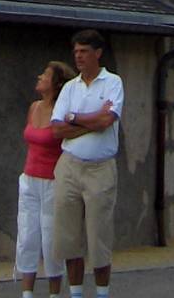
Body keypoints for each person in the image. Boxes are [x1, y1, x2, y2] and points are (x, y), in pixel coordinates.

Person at [50, 29, 124, 298]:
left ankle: (102, 293)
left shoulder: (112, 82)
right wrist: (89, 121)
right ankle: (76, 293)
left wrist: (74, 118)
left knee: (98, 237)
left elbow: (108, 121)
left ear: (98, 53)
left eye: (84, 52)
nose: (78, 57)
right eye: (76, 52)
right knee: (69, 237)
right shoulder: (70, 87)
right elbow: (57, 129)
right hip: (69, 165)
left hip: (100, 168)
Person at [16, 61, 75, 296]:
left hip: (52, 181)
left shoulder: (63, 113)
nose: (39, 77)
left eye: (46, 75)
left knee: (51, 237)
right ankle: (27, 293)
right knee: (27, 235)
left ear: (56, 83)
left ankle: (54, 292)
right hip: (29, 179)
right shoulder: (34, 107)